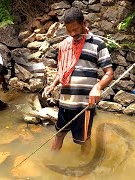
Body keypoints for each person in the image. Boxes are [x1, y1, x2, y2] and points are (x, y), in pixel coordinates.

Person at [42, 8, 114, 155]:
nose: (73, 34)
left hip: (84, 106)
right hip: (65, 102)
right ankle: (51, 162)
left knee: (84, 139)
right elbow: (62, 70)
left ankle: (84, 169)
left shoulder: (97, 44)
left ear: (84, 23)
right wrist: (53, 84)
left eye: (75, 29)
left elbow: (109, 73)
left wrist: (98, 87)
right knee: (59, 134)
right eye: (69, 31)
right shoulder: (65, 45)